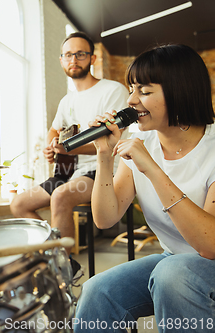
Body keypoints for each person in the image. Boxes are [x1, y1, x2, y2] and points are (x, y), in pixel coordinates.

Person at [74, 44, 215, 333]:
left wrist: (151, 168)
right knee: (96, 291)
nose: (132, 100)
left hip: (199, 262)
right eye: (132, 89)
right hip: (173, 259)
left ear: (180, 91)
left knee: (171, 274)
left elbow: (209, 246)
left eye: (145, 91)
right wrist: (104, 155)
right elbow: (105, 218)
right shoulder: (144, 142)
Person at [10, 32, 129, 274]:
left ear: (92, 59)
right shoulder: (67, 100)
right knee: (19, 204)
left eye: (80, 54)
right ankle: (57, 256)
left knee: (61, 196)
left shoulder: (113, 90)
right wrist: (52, 146)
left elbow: (108, 139)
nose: (73, 59)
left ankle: (62, 270)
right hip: (69, 171)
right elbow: (54, 129)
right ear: (61, 60)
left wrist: (67, 147)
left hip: (104, 170)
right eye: (67, 55)